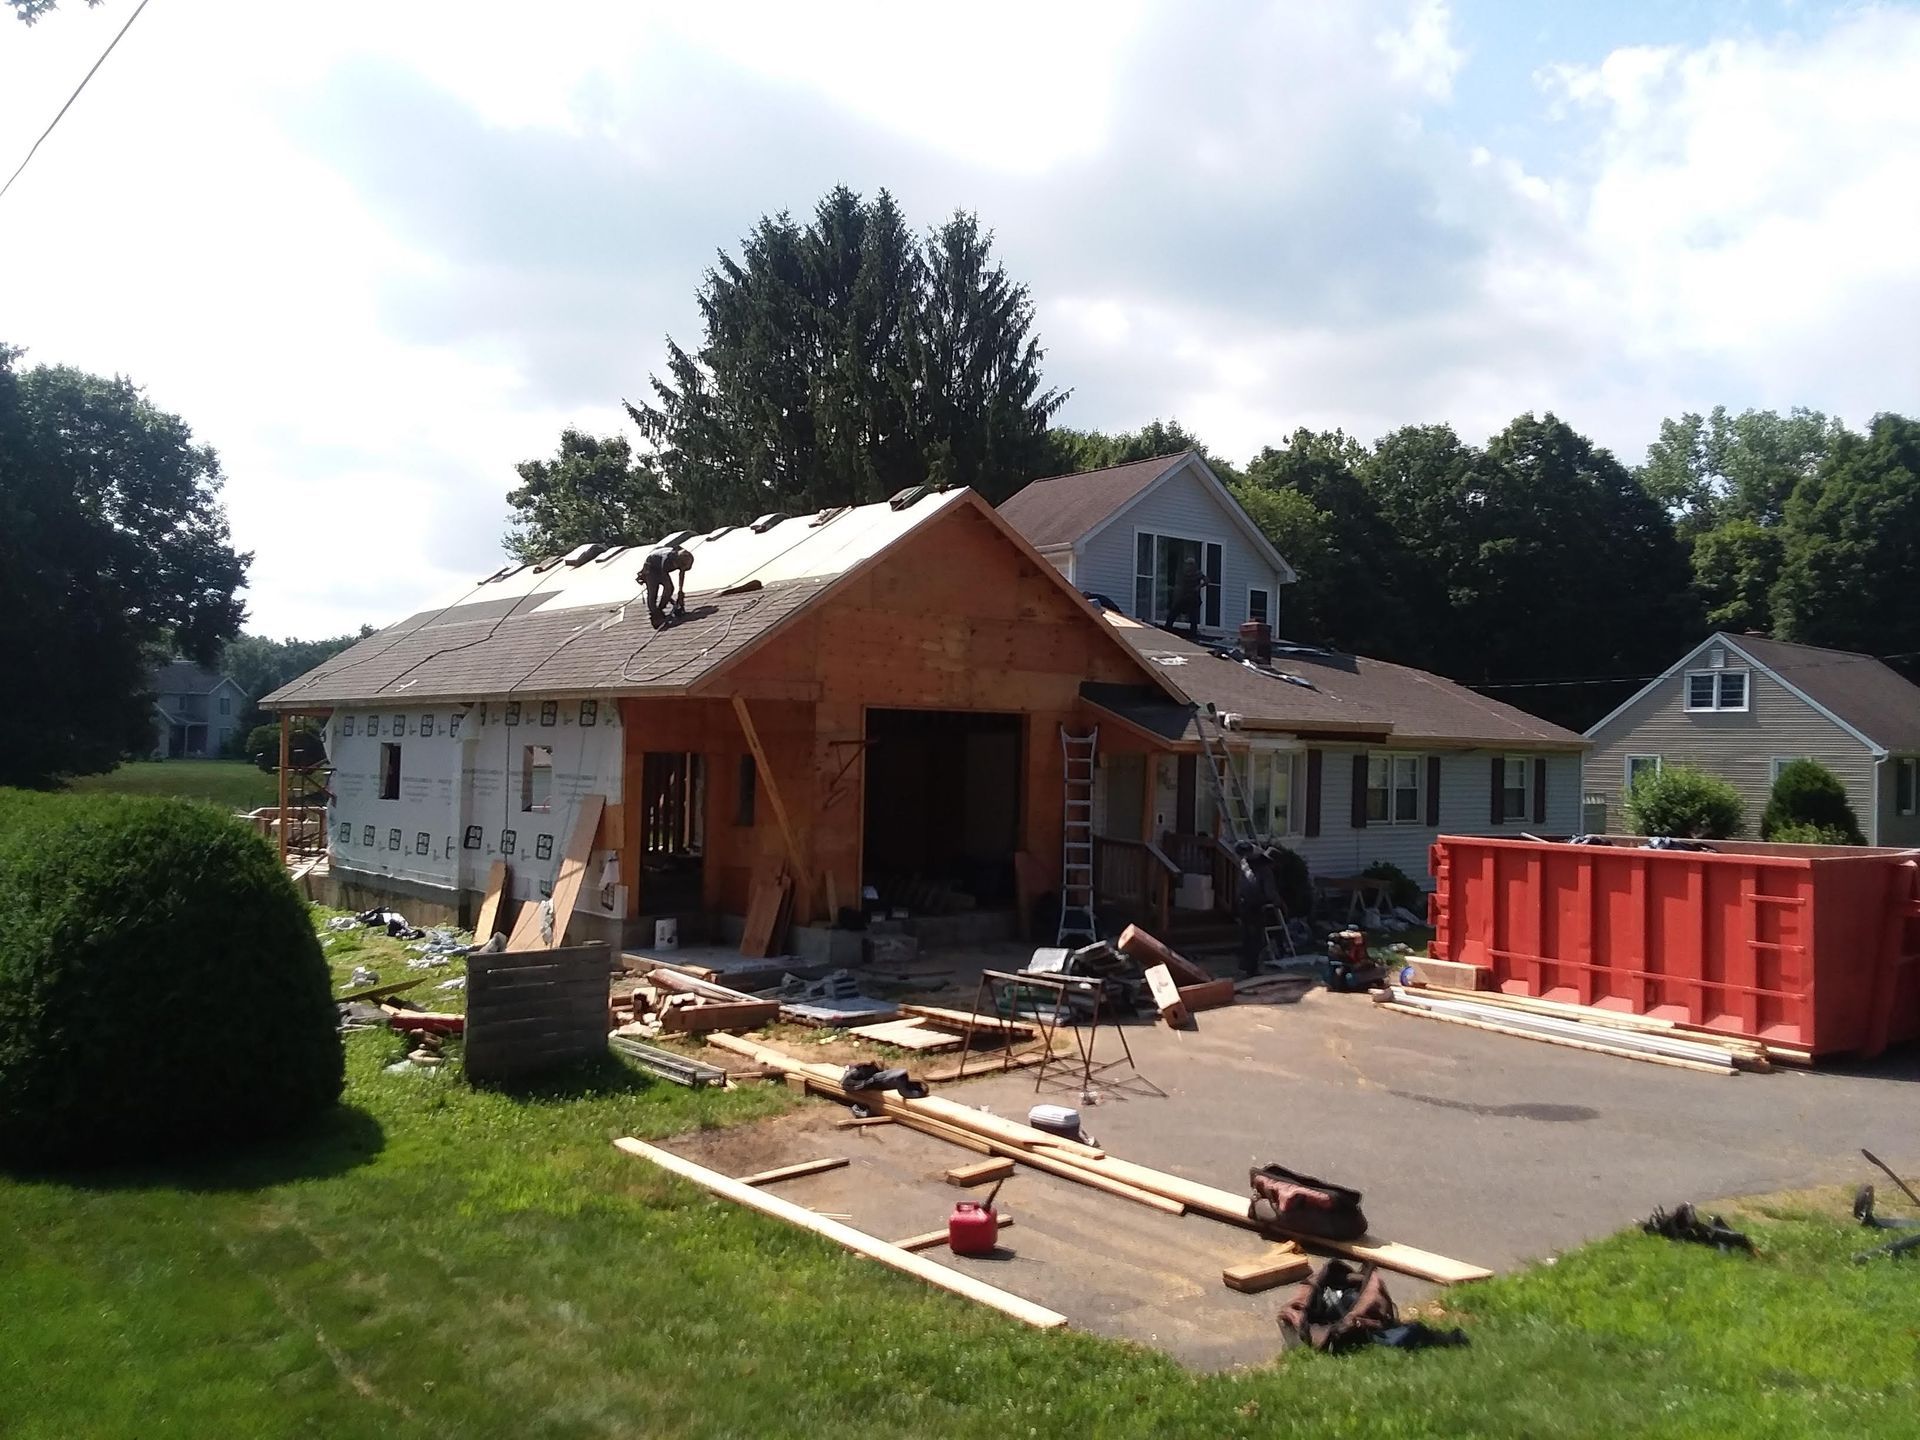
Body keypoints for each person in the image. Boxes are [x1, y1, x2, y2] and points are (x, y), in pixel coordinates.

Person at [1233, 840, 1280, 976]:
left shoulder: (1245, 866)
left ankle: (1245, 965)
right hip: (1255, 906)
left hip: (1244, 904)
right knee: (1256, 938)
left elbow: (1240, 887)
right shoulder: (1265, 871)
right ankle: (1252, 968)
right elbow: (1269, 891)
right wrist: (1277, 902)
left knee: (1247, 936)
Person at [639, 543, 694, 628]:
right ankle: (656, 614)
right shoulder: (666, 561)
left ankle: (661, 608)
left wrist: (680, 591)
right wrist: (671, 600)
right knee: (654, 591)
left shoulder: (684, 557)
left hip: (659, 562)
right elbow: (666, 584)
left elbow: (682, 573)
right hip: (651, 567)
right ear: (676, 562)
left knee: (670, 589)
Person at [1167, 556, 1205, 636]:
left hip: (1193, 598)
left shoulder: (1198, 574)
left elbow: (1207, 580)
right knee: (1173, 613)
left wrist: (1198, 587)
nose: (1187, 566)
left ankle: (1193, 634)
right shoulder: (1185, 574)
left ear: (1193, 565)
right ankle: (1167, 629)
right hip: (1184, 597)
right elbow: (1181, 585)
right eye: (1187, 564)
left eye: (1189, 564)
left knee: (1193, 617)